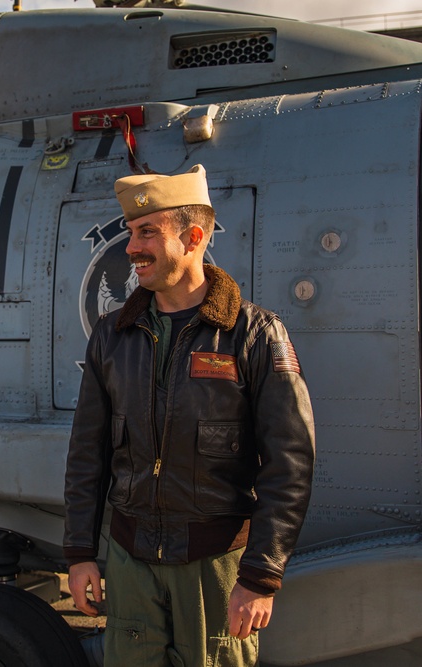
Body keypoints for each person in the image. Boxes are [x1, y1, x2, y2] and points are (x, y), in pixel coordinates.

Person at [64, 165, 315, 666]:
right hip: (131, 563)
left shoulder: (256, 335)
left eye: (148, 232)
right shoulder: (113, 336)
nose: (132, 247)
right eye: (132, 233)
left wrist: (260, 577)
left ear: (194, 237)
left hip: (216, 568)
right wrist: (79, 553)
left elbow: (290, 464)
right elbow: (87, 452)